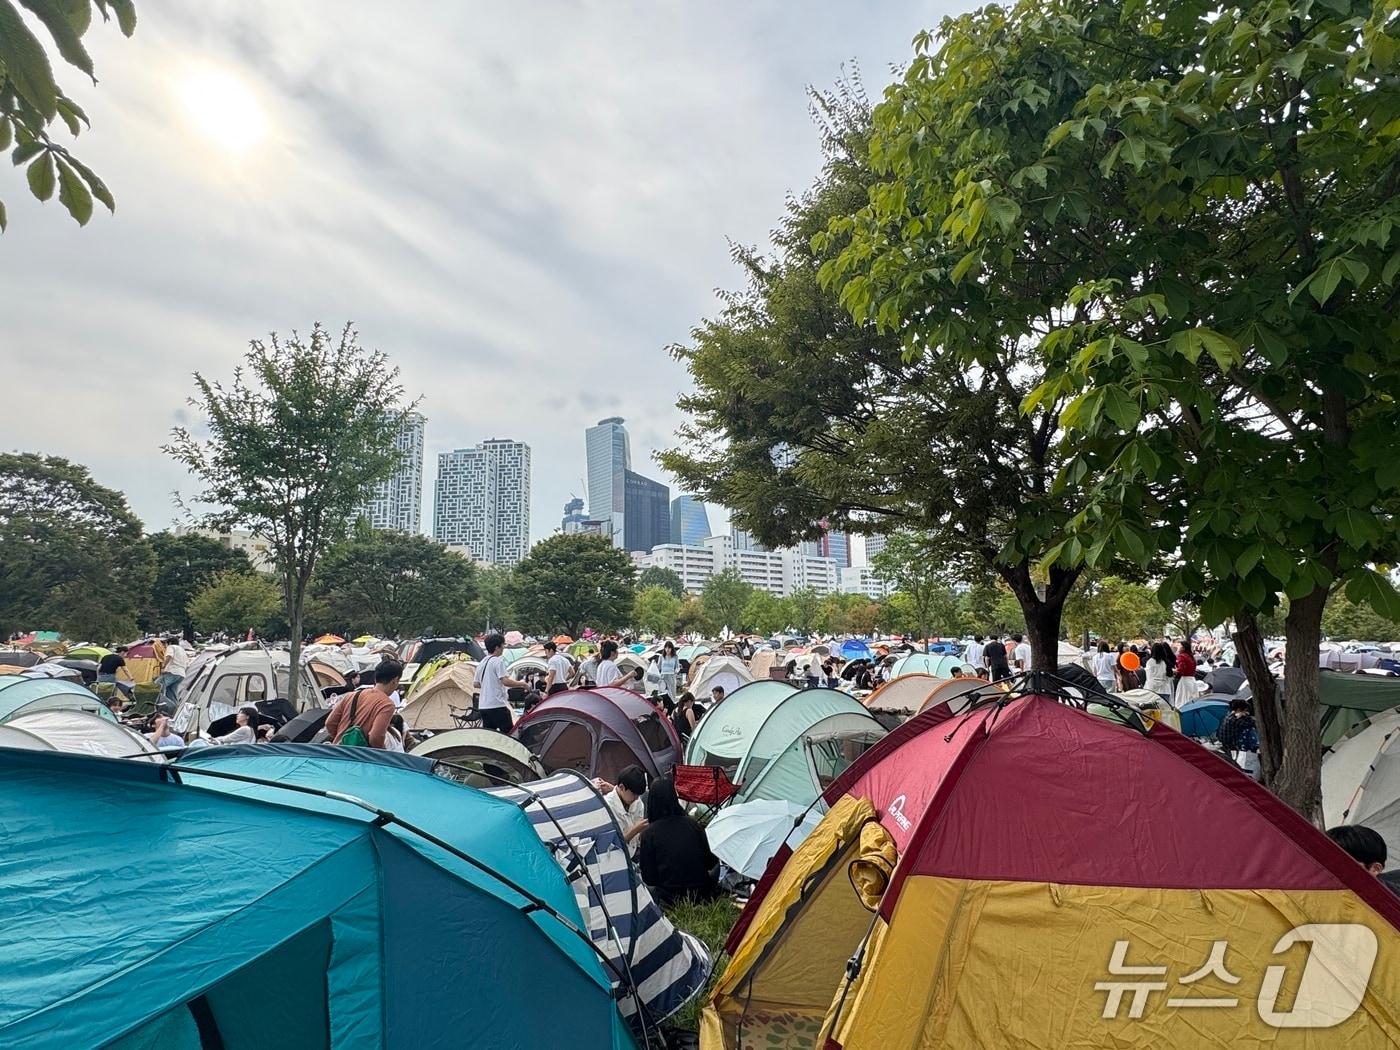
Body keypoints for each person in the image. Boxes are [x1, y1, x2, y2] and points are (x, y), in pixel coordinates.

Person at [636, 777, 720, 907]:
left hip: (670, 897)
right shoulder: (693, 824)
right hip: (702, 892)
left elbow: (649, 878)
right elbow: (711, 862)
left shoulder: (648, 834)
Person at [325, 660, 402, 747]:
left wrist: (345, 738)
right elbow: (375, 737)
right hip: (359, 756)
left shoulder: (351, 695)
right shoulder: (387, 705)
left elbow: (329, 723)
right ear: (395, 680)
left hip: (338, 750)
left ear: (375, 678)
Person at [476, 634, 526, 732]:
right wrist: (522, 684)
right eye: (503, 645)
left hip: (483, 706)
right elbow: (505, 681)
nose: (504, 648)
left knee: (490, 735)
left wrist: (489, 683)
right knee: (509, 734)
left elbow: (476, 684)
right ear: (497, 647)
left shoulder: (482, 663)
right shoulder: (497, 661)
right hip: (497, 705)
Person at [595, 765, 649, 855]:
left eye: (638, 795)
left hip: (634, 850)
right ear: (622, 787)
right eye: (634, 794)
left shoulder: (636, 801)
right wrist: (635, 829)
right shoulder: (607, 807)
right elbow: (611, 846)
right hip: (618, 856)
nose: (636, 798)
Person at [1216, 698, 1260, 777]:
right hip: (1233, 746)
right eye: (1245, 710)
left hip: (1228, 746)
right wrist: (1248, 717)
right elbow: (1253, 724)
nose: (1247, 712)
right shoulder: (1235, 719)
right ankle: (1255, 747)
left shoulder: (1229, 716)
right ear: (1239, 709)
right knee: (1249, 730)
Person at [158, 638, 189, 706]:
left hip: (173, 671)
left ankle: (158, 705)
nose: (165, 646)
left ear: (170, 643)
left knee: (158, 685)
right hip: (181, 674)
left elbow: (169, 656)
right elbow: (187, 663)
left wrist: (163, 666)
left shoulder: (171, 647)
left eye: (165, 644)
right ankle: (175, 709)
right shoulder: (182, 650)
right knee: (171, 692)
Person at [1173, 638, 1199, 708]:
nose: (1177, 647)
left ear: (1183, 648)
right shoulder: (1191, 656)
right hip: (1192, 680)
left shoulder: (1181, 656)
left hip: (1185, 681)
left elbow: (1181, 670)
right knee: (1192, 699)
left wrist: (1174, 670)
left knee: (1182, 700)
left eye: (1179, 646)